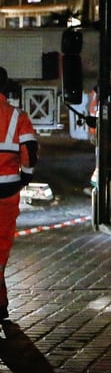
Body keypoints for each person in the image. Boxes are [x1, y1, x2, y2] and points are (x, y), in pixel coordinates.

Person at [0, 66, 39, 320]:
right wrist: (25, 175)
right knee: (1, 248)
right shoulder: (16, 116)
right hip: (7, 191)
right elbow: (30, 150)